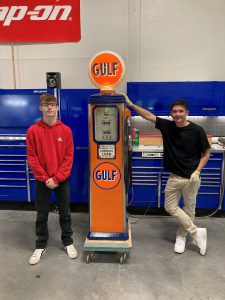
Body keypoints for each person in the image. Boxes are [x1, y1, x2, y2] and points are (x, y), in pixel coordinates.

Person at [123, 94, 211, 255]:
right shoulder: (167, 126)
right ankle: (196, 232)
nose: (177, 114)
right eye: (174, 111)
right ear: (171, 114)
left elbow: (207, 152)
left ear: (187, 112)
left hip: (192, 178)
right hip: (174, 177)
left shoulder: (197, 130)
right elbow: (148, 115)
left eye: (181, 111)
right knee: (170, 206)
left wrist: (197, 172)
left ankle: (181, 236)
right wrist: (130, 104)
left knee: (189, 209)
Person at [26, 93, 78, 265]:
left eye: (52, 104)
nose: (49, 107)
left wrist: (57, 178)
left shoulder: (66, 131)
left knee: (65, 212)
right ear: (40, 107)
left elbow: (68, 157)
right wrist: (45, 177)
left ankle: (68, 242)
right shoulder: (33, 131)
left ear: (57, 107)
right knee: (41, 214)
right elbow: (32, 158)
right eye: (45, 104)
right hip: (42, 181)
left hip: (61, 180)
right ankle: (40, 245)